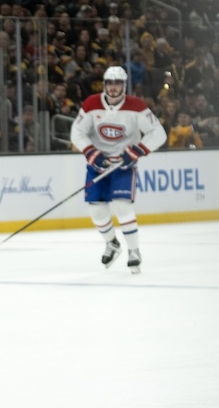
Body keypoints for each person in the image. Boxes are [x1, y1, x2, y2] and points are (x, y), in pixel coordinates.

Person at [70, 65, 167, 274]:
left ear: (124, 86)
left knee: (122, 206)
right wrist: (91, 153)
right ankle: (112, 243)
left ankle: (134, 251)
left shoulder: (137, 106)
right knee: (96, 210)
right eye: (110, 83)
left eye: (118, 83)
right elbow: (77, 132)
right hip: (98, 164)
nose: (113, 88)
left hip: (124, 165)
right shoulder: (91, 104)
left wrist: (136, 151)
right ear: (104, 85)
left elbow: (158, 134)